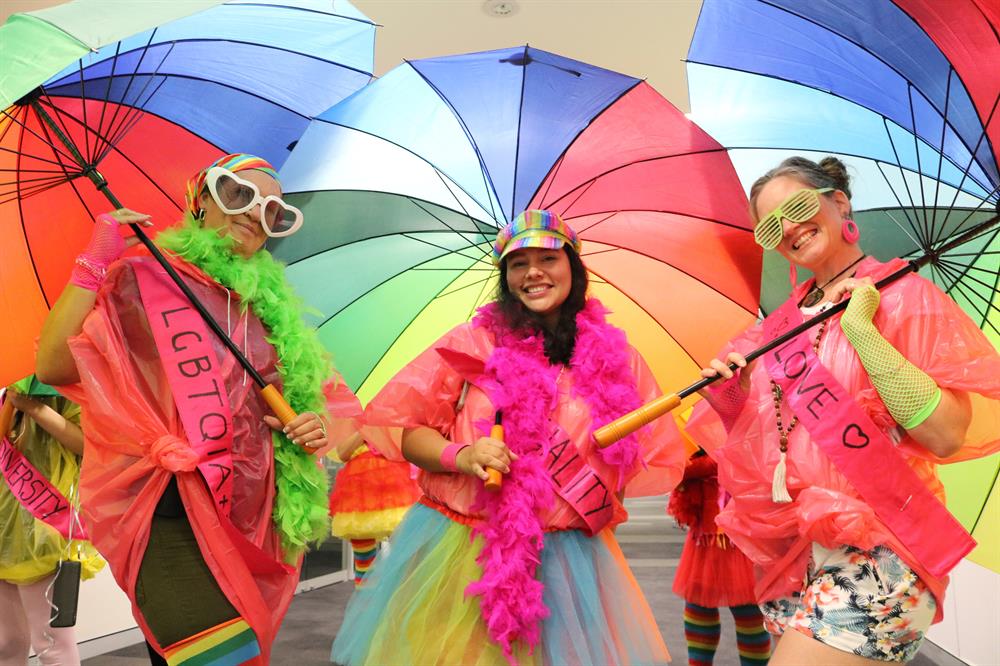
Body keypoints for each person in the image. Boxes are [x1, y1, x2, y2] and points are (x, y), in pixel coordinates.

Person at [331, 209, 687, 665]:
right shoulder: (472, 343)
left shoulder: (619, 359)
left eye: (548, 258)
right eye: (519, 264)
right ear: (506, 277)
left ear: (574, 268)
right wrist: (462, 455)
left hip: (570, 560)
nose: (533, 272)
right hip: (467, 552)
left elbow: (632, 458)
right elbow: (408, 432)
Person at [35, 153, 345, 665]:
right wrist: (94, 262)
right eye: (239, 193)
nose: (255, 213)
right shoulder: (145, 278)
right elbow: (52, 365)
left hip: (248, 519)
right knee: (220, 657)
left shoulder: (267, 309)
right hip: (168, 509)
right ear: (201, 197)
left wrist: (306, 424)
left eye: (273, 211)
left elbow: (295, 405)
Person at [693, 156, 1000, 664]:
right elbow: (772, 458)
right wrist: (732, 403)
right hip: (801, 551)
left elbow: (946, 435)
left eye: (797, 207)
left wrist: (863, 333)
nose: (789, 228)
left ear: (839, 202)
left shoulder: (903, 297)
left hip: (883, 548)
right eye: (771, 226)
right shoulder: (778, 329)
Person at [0, 384, 103, 666]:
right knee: (6, 643)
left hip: (44, 528)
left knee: (52, 643)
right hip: (4, 528)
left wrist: (33, 407)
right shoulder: (8, 390)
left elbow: (89, 444)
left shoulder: (63, 384)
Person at [668, 436, 770, 666]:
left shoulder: (743, 426)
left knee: (747, 608)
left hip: (739, 534)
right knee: (698, 604)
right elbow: (679, 471)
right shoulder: (692, 430)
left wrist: (688, 464)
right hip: (704, 534)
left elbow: (726, 458)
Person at [327, 429, 420, 587]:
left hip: (395, 486)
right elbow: (343, 453)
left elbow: (408, 447)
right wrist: (366, 427)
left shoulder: (394, 418)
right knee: (363, 558)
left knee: (404, 552)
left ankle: (399, 594)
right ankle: (364, 596)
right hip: (360, 489)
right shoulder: (354, 421)